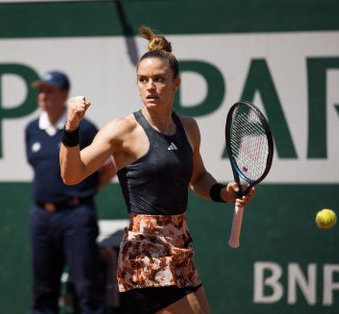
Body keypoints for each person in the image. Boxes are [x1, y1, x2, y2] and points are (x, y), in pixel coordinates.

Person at [59, 27, 255, 314]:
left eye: (159, 79)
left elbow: (198, 179)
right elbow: (71, 174)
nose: (150, 86)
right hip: (145, 251)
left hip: (180, 247)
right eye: (143, 80)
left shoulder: (188, 128)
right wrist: (72, 127)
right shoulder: (122, 130)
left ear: (175, 84)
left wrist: (226, 192)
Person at [25, 70, 113, 314]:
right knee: (43, 290)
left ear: (64, 94)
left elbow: (108, 168)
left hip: (77, 217)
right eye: (41, 90)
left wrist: (86, 192)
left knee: (87, 289)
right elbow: (37, 167)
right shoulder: (31, 129)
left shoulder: (84, 129)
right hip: (41, 217)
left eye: (50, 90)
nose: (43, 95)